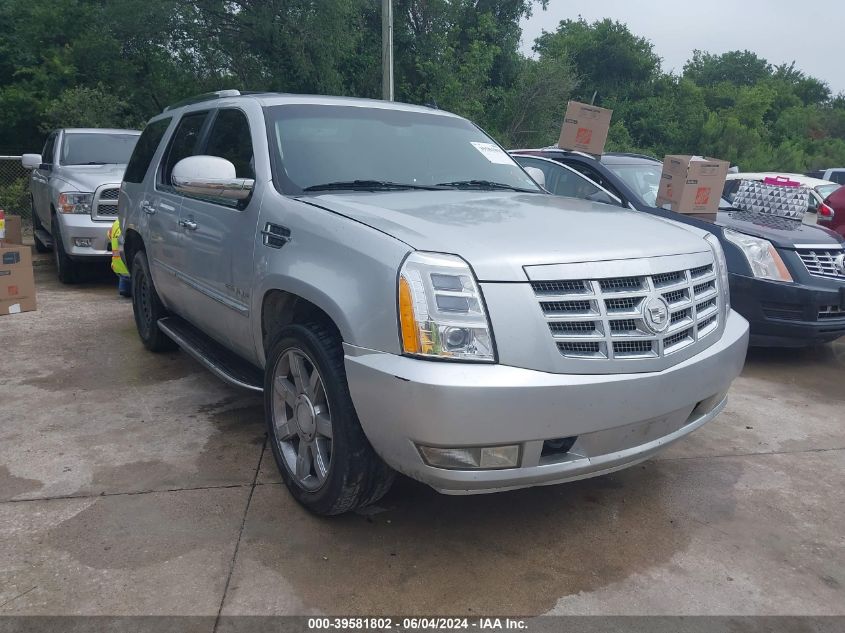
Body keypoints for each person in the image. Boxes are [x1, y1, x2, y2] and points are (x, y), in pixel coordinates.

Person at [108, 218, 131, 297]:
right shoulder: (133, 225)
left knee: (123, 276)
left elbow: (109, 235)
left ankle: (124, 289)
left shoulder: (115, 224)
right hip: (130, 270)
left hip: (118, 269)